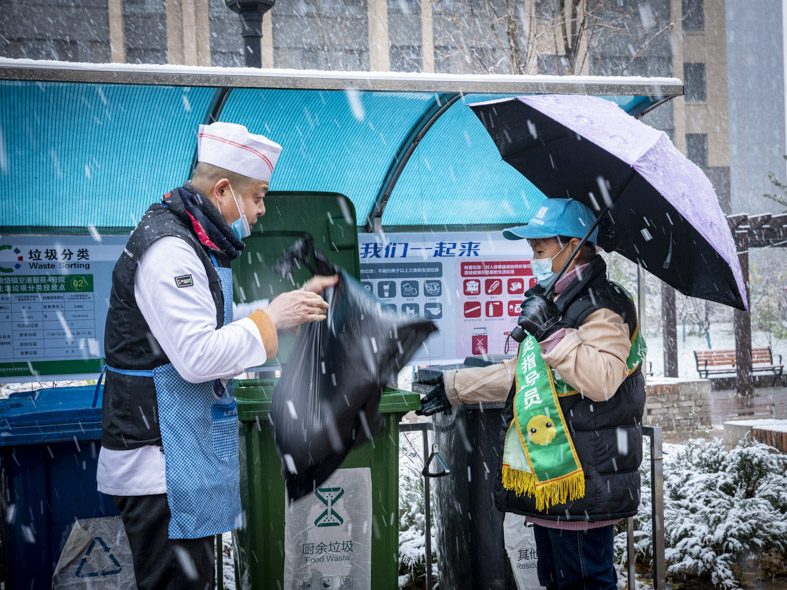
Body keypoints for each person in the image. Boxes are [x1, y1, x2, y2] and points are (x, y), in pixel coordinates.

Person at [97, 121, 337, 589]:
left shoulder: (192, 241)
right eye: (258, 197)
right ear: (223, 190)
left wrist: (276, 313)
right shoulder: (170, 249)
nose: (262, 210)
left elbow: (206, 324)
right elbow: (197, 356)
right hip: (160, 463)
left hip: (179, 453)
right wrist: (270, 319)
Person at [418, 198, 647, 590]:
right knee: (556, 580)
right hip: (554, 472)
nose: (533, 260)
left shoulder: (603, 306)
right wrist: (455, 387)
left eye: (540, 250)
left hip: (584, 474)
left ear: (573, 245)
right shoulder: (559, 301)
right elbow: (527, 374)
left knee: (585, 581)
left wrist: (550, 333)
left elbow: (602, 379)